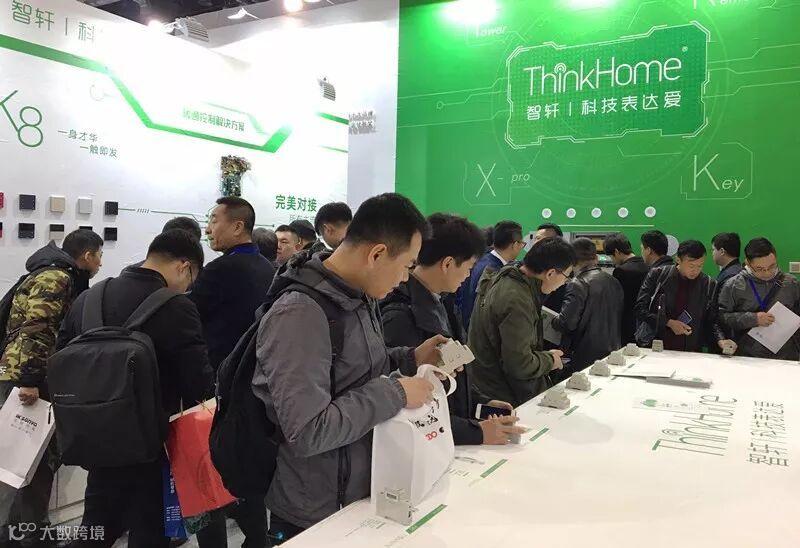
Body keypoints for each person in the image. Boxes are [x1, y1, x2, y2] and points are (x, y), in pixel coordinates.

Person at [253, 193, 448, 541]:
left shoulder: (357, 295)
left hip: (357, 494)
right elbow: (308, 432)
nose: (406, 279)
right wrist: (396, 392)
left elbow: (354, 369)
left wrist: (411, 358)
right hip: (314, 514)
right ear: (377, 254)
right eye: (407, 265)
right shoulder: (299, 314)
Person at [58, 229, 214, 548]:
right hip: (152, 443)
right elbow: (198, 384)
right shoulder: (177, 307)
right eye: (191, 280)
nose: (187, 288)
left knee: (97, 523)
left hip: (94, 437)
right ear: (184, 267)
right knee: (149, 528)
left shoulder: (90, 298)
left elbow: (61, 357)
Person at [381, 213, 524, 446]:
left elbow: (451, 374)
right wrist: (476, 432)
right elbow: (409, 406)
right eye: (468, 268)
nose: (468, 276)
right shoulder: (400, 314)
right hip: (426, 446)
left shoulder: (443, 302)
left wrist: (479, 402)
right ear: (447, 263)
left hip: (449, 435)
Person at [0, 230, 103, 548]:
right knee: (31, 460)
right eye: (99, 256)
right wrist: (30, 380)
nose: (100, 264)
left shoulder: (54, 273)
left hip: (24, 375)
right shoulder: (57, 277)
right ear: (87, 255)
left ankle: (23, 529)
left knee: (30, 460)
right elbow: (38, 329)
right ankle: (28, 533)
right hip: (26, 379)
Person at [190, 197, 275, 548]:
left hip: (216, 389)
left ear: (238, 226)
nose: (209, 228)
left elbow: (189, 319)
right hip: (255, 386)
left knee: (208, 478)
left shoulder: (220, 271)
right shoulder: (269, 269)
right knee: (246, 472)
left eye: (214, 220)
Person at [469, 238, 576, 407]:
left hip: (489, 385)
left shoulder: (508, 278)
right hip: (504, 395)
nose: (564, 283)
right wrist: (550, 360)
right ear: (550, 273)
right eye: (566, 276)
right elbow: (518, 364)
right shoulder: (517, 299)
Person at [635, 240, 734, 353]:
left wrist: (721, 339)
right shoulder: (658, 275)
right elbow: (639, 309)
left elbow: (712, 320)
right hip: (656, 345)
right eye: (691, 265)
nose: (695, 271)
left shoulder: (708, 284)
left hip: (691, 348)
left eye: (700, 266)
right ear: (678, 260)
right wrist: (668, 322)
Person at [719, 238, 800, 360]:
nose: (767, 273)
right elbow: (722, 318)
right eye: (760, 269)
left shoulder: (790, 283)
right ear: (748, 263)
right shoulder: (734, 285)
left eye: (772, 266)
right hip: (749, 356)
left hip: (787, 356)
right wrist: (753, 319)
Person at [553, 239, 624, 371]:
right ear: (595, 257)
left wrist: (551, 319)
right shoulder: (613, 281)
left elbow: (567, 323)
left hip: (583, 356)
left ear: (572, 260)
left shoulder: (577, 283)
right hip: (612, 351)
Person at [456, 220, 524, 328]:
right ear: (515, 244)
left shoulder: (483, 260)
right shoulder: (494, 271)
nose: (521, 247)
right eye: (522, 244)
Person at [604, 232, 649, 344]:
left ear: (616, 252)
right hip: (645, 323)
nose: (612, 260)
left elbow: (616, 302)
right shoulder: (648, 266)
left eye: (611, 257)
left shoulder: (621, 271)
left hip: (626, 324)